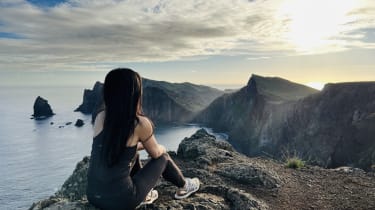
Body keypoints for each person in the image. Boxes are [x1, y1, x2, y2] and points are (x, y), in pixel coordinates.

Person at [86, 68, 200, 210]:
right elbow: (156, 154)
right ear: (135, 93)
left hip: (93, 196)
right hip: (122, 201)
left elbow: (118, 147)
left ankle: (145, 195)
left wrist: (138, 147)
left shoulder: (100, 117)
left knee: (135, 153)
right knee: (163, 158)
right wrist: (163, 147)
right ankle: (185, 186)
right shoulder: (139, 123)